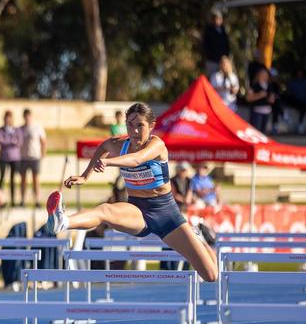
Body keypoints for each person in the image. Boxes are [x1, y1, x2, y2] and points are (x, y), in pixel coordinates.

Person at [45, 102, 218, 283]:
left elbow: (136, 160)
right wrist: (84, 176)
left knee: (210, 275)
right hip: (137, 210)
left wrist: (109, 162)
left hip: (167, 216)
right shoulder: (119, 145)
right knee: (105, 210)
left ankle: (200, 239)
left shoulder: (156, 145)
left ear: (151, 126)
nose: (134, 131)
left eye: (140, 125)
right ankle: (63, 221)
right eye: (130, 125)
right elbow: (103, 146)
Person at [19, 108, 46, 207]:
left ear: (31, 116)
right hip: (23, 158)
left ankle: (37, 200)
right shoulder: (20, 129)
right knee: (23, 181)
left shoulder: (37, 127)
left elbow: (43, 141)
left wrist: (43, 153)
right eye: (25, 116)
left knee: (36, 180)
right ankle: (22, 200)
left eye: (29, 116)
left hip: (35, 157)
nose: (27, 118)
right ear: (23, 117)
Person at [0, 110, 21, 206]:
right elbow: (1, 141)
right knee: (2, 179)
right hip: (3, 158)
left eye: (9, 117)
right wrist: (12, 141)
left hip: (14, 158)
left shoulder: (17, 130)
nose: (8, 119)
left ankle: (13, 201)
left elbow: (19, 142)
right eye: (6, 117)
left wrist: (8, 141)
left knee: (12, 180)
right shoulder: (0, 130)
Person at [202, 9, 230, 78]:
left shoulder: (223, 30)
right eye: (215, 18)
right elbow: (206, 46)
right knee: (212, 78)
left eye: (218, 18)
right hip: (212, 61)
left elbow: (226, 45)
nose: (217, 20)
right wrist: (211, 56)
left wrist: (225, 57)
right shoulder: (208, 30)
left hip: (222, 61)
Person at [247, 68, 274, 133]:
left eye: (266, 75)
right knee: (256, 131)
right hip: (257, 111)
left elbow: (271, 99)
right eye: (262, 74)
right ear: (258, 75)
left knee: (263, 131)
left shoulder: (269, 86)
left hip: (267, 111)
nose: (264, 76)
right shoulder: (254, 86)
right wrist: (259, 95)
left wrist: (271, 99)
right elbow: (249, 98)